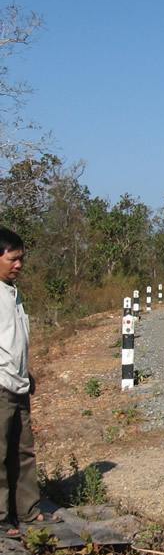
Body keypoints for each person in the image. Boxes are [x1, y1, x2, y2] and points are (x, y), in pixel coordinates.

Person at [1, 228, 59, 537]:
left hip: (18, 382)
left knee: (23, 451)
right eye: (13, 259)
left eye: (21, 259)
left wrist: (27, 372)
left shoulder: (13, 293)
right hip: (0, 384)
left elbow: (14, 340)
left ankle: (26, 510)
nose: (18, 265)